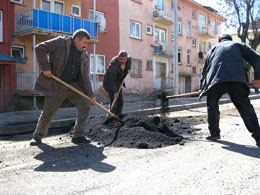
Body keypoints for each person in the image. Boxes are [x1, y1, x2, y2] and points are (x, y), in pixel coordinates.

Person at [30, 29, 96, 146]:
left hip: (74, 85)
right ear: (76, 39)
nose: (86, 46)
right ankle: (37, 136)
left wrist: (90, 95)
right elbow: (40, 48)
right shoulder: (61, 42)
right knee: (49, 111)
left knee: (85, 105)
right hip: (57, 84)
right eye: (84, 42)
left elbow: (85, 77)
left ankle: (78, 135)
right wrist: (45, 67)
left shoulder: (83, 54)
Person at [200, 34, 260, 146]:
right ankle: (258, 137)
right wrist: (258, 78)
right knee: (245, 108)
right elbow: (257, 59)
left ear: (219, 41)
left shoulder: (213, 49)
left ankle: (214, 133)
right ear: (230, 40)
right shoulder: (238, 44)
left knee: (211, 105)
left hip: (216, 81)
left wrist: (202, 88)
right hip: (236, 80)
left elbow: (204, 72)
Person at [103, 50, 131, 119]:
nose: (122, 61)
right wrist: (115, 92)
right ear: (118, 57)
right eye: (120, 59)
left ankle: (118, 116)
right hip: (109, 83)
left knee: (120, 100)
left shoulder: (128, 59)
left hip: (118, 82)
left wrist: (128, 68)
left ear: (126, 58)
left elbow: (130, 60)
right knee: (114, 100)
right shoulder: (114, 66)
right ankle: (111, 117)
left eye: (124, 59)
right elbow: (112, 81)